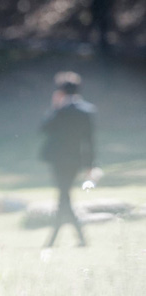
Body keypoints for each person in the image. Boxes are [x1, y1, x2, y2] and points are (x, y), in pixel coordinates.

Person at [40, 71, 96, 247]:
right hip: (74, 160)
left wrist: (54, 107)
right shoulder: (86, 110)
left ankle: (56, 239)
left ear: (61, 91)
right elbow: (89, 140)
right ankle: (69, 238)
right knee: (64, 196)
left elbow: (44, 128)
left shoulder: (60, 110)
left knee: (63, 196)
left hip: (57, 160)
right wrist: (89, 165)